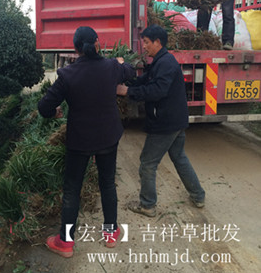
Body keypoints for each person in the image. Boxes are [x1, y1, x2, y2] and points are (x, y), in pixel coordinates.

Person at [38, 26, 135, 257]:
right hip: (108, 137)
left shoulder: (67, 75)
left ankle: (66, 243)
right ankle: (111, 235)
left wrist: (55, 113)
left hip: (79, 141)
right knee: (107, 184)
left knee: (72, 190)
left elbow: (44, 107)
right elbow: (131, 72)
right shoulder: (111, 67)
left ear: (75, 49)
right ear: (98, 44)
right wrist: (120, 62)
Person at [117, 25, 205, 217]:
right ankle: (198, 195)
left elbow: (157, 91)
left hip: (165, 122)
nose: (145, 46)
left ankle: (147, 205)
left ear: (158, 42)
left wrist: (128, 92)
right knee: (179, 157)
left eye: (147, 43)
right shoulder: (161, 61)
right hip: (175, 120)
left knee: (147, 163)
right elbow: (145, 80)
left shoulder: (165, 63)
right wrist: (126, 77)